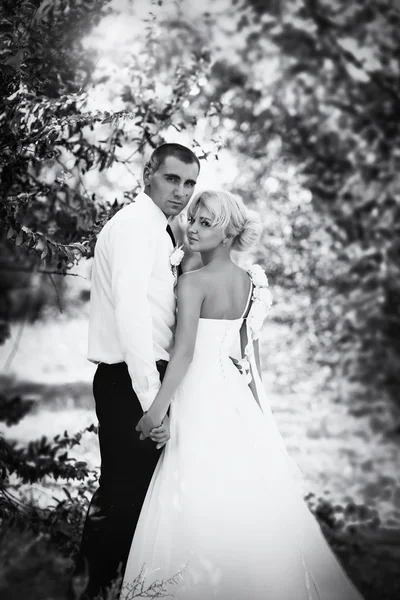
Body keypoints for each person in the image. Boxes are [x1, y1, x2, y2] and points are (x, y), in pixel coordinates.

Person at [120, 190, 365, 600]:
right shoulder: (250, 281)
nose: (193, 228)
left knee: (194, 487)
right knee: (239, 486)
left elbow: (183, 354)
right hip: (230, 394)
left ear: (229, 232)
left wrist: (154, 412)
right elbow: (249, 356)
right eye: (193, 219)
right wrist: (256, 412)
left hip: (197, 396)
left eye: (205, 223)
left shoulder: (193, 283)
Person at [76, 143, 200, 599]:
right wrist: (152, 403)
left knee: (140, 499)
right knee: (121, 497)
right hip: (129, 380)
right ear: (149, 173)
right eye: (172, 179)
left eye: (190, 183)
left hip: (144, 377)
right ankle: (91, 589)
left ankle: (120, 587)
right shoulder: (133, 227)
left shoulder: (160, 229)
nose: (181, 192)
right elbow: (132, 315)